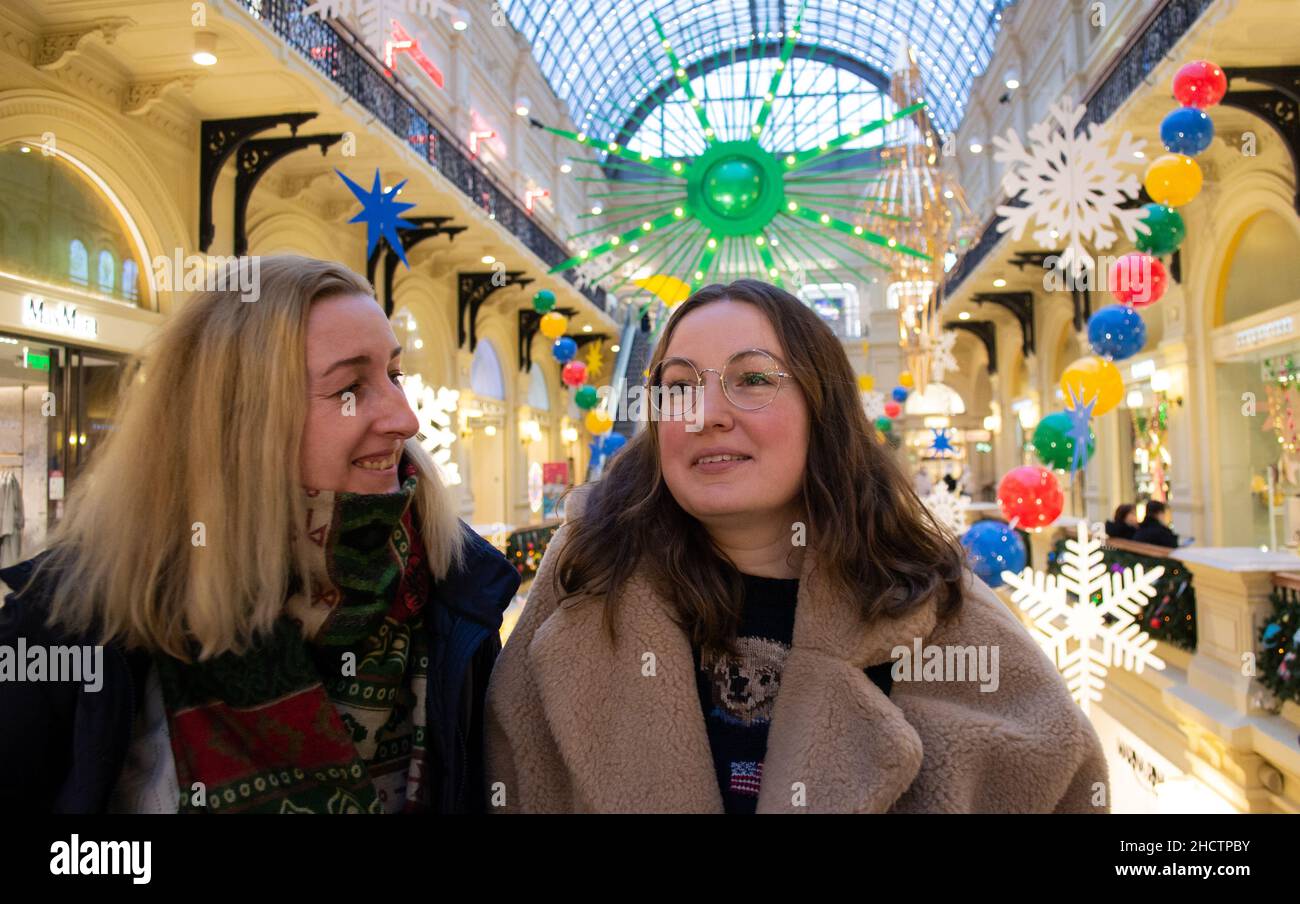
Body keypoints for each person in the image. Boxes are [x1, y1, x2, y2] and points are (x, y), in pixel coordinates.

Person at [485, 279, 1106, 813]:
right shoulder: (584, 590)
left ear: (822, 407)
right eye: (678, 387)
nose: (705, 414)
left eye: (752, 378)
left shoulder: (948, 622)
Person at [0, 255, 519, 813]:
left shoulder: (452, 588)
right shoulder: (71, 625)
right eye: (350, 387)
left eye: (394, 375)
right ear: (240, 419)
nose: (405, 419)